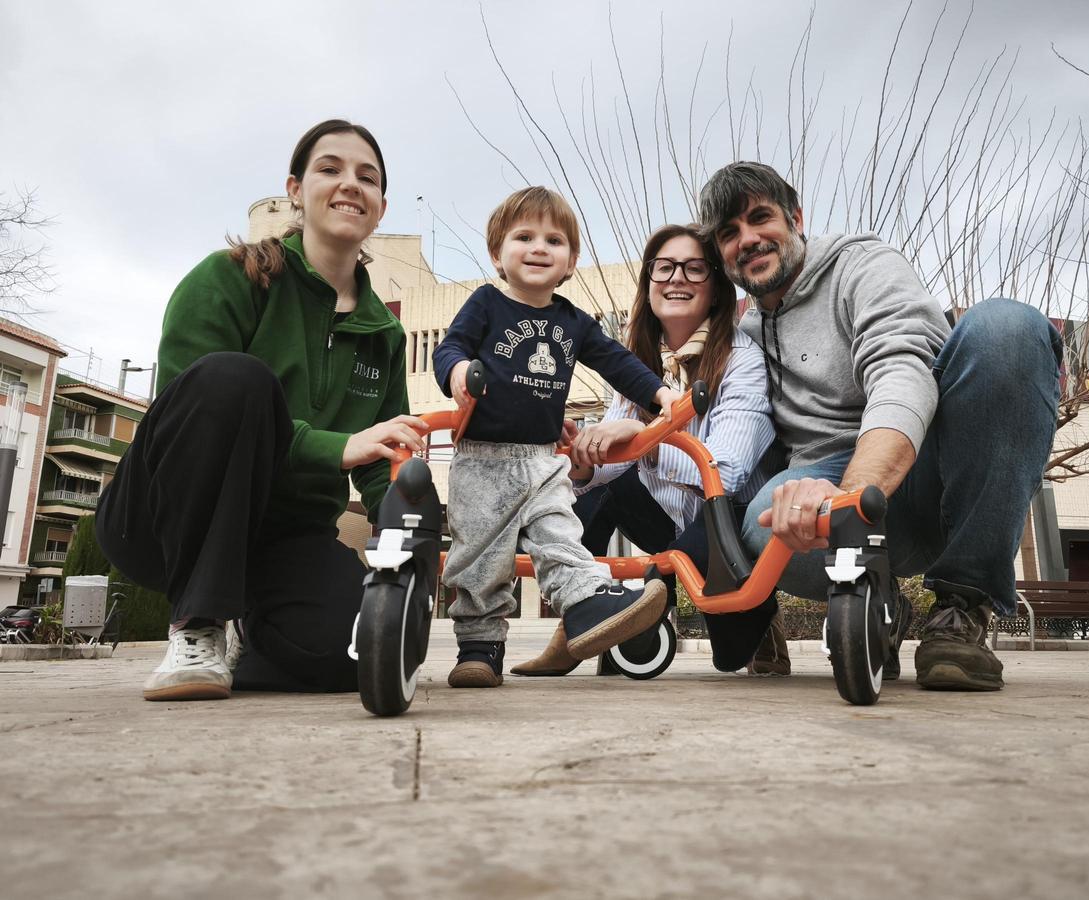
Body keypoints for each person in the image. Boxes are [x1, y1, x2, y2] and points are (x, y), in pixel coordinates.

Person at [697, 161, 1063, 691]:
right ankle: (878, 595)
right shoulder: (747, 333)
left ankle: (963, 604)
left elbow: (901, 370)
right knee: (761, 521)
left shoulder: (863, 267)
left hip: (925, 473)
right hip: (825, 470)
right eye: (730, 233)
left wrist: (848, 500)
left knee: (1007, 328)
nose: (748, 240)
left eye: (760, 218)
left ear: (797, 218)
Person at [97, 119, 429, 701]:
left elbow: (383, 458)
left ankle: (244, 633)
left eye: (367, 177)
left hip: (285, 537)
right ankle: (197, 623)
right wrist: (333, 447)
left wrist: (413, 536)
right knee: (235, 378)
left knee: (355, 653)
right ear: (296, 190)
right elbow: (189, 411)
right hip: (168, 521)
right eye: (330, 169)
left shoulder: (384, 333)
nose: (350, 184)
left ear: (380, 208)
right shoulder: (228, 279)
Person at [431, 187, 681, 689]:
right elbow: (451, 346)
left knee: (560, 537)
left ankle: (589, 603)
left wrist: (660, 395)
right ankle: (479, 649)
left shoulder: (572, 320)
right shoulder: (486, 304)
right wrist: (457, 370)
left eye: (554, 239)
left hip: (545, 461)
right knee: (480, 553)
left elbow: (616, 361)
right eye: (524, 237)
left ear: (571, 262)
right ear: (497, 254)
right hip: (483, 457)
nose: (539, 247)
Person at [512, 223, 784, 677]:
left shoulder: (742, 358)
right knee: (589, 497)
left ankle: (761, 617)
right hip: (667, 517)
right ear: (649, 282)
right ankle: (585, 615)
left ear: (715, 288)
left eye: (694, 269)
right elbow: (613, 467)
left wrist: (640, 438)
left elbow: (727, 471)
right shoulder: (637, 360)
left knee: (730, 655)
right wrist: (580, 460)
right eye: (664, 268)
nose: (676, 278)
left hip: (726, 519)